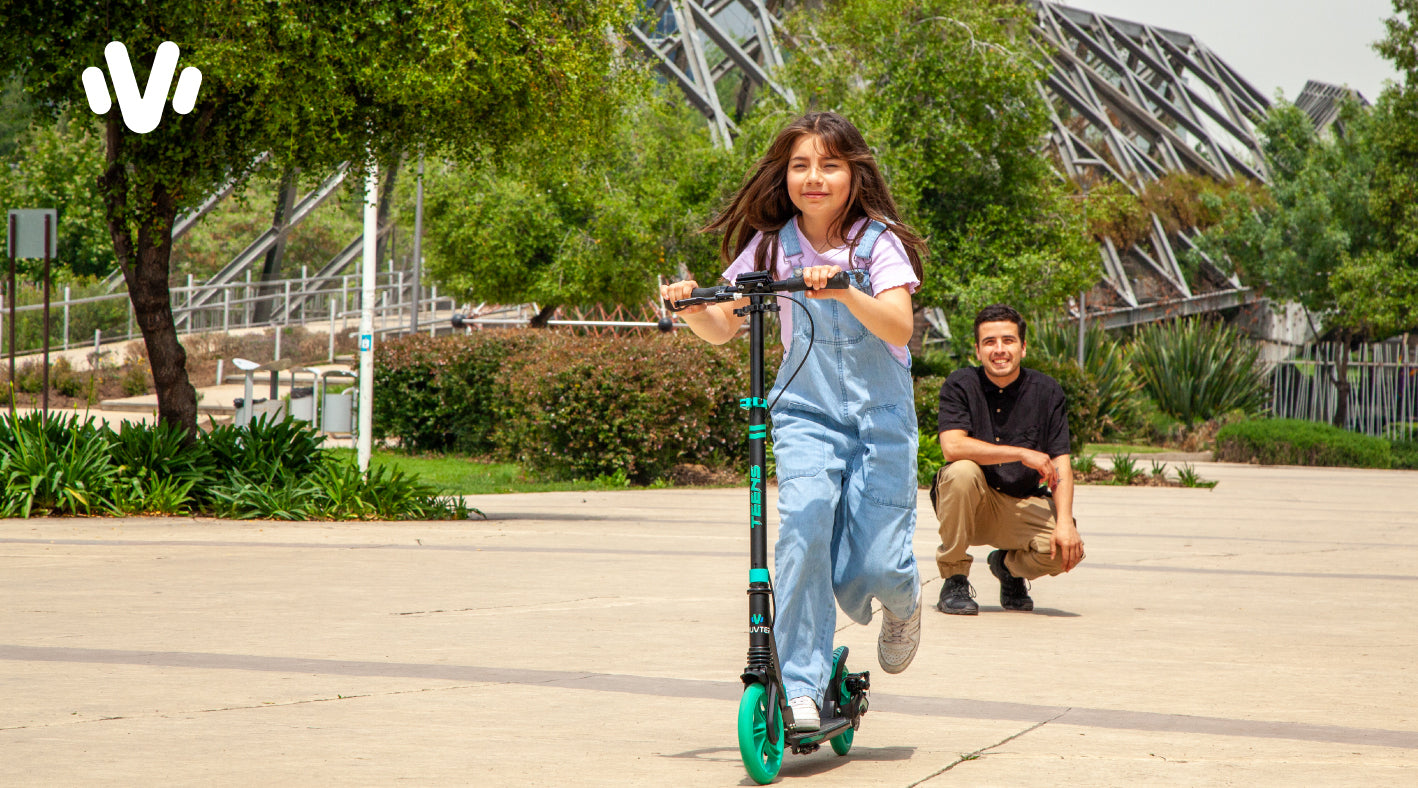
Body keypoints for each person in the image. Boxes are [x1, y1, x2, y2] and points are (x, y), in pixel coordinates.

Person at [661, 111, 928, 732]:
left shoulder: (876, 242)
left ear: (853, 174)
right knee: (803, 531)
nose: (814, 178)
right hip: (806, 413)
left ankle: (905, 601)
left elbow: (898, 326)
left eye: (829, 165)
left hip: (880, 419)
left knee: (876, 565)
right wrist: (691, 306)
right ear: (783, 176)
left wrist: (843, 290)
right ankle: (800, 686)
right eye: (800, 165)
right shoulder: (768, 245)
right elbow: (724, 326)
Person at [931, 304, 1084, 615]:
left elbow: (1061, 465)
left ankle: (1007, 567)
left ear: (1023, 347)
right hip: (972, 506)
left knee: (1066, 551)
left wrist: (1065, 523)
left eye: (1008, 340)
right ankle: (954, 579)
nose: (999, 350)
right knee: (961, 471)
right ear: (977, 350)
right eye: (989, 342)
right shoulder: (960, 384)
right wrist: (1020, 453)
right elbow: (952, 447)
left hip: (1021, 504)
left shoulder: (1047, 392)